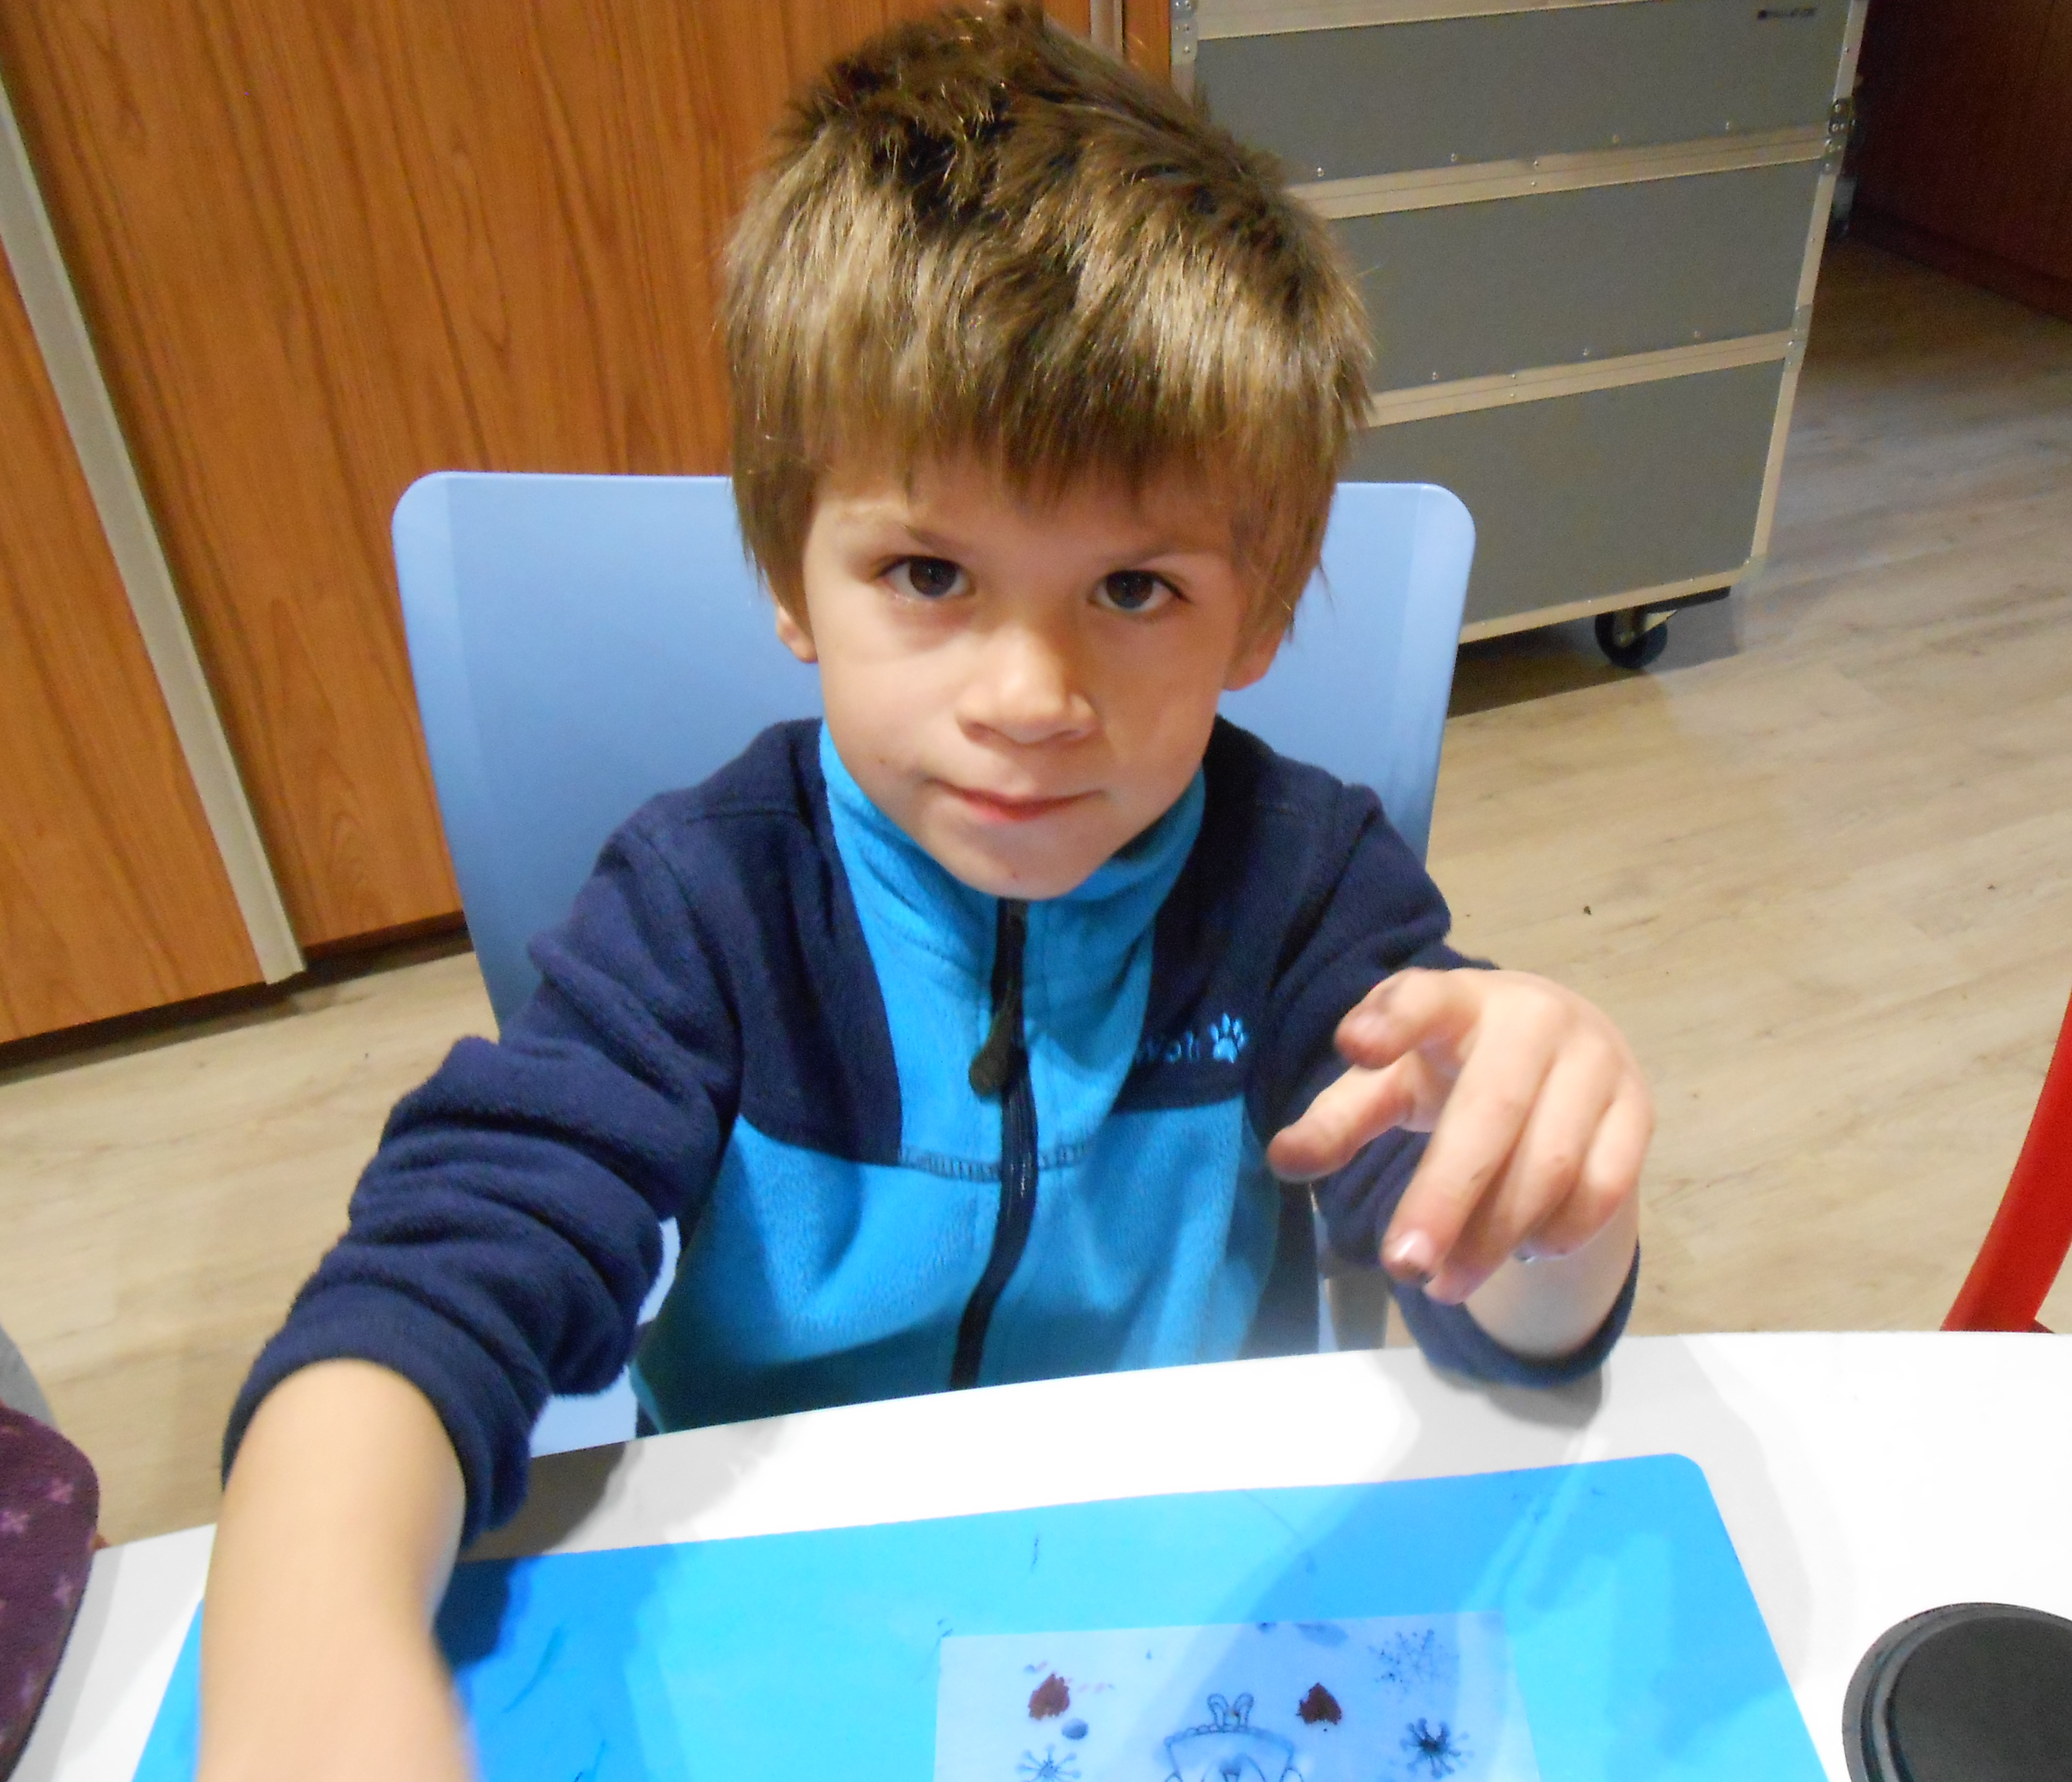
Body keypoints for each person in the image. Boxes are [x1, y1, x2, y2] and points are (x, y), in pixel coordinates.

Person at [195, 7, 1651, 1777]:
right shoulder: (700, 906)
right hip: (772, 1608)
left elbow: (1504, 1318)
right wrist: (315, 1637)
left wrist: (1551, 1206)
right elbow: (453, 1270)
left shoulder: (1301, 883)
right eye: (930, 573)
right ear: (788, 572)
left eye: (1134, 590)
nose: (1030, 700)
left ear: (1261, 616)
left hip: (1174, 1605)